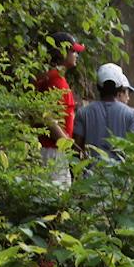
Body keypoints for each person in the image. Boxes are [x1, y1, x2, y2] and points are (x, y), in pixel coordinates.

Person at [36, 35, 83, 186]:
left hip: (51, 149)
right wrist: (66, 143)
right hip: (53, 150)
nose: (76, 55)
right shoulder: (55, 80)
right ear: (62, 52)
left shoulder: (52, 77)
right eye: (73, 51)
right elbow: (47, 117)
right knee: (56, 193)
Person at [75, 62, 134, 159]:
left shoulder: (83, 113)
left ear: (98, 87)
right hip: (121, 168)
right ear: (120, 88)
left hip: (91, 168)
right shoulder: (133, 115)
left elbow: (76, 150)